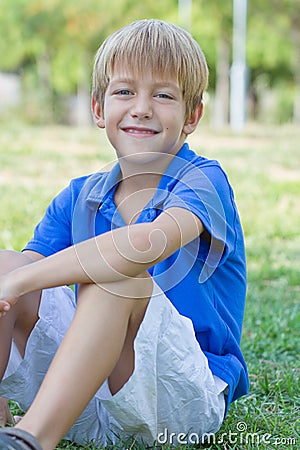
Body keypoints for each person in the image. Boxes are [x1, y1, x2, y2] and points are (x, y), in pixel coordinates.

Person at [0, 19, 249, 450]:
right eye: (124, 91)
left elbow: (144, 245)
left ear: (192, 116)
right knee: (7, 261)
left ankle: (30, 441)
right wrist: (14, 276)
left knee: (118, 276)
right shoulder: (79, 196)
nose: (142, 107)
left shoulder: (202, 181)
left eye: (163, 95)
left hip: (177, 400)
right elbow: (19, 289)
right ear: (99, 109)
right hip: (80, 398)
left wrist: (20, 281)